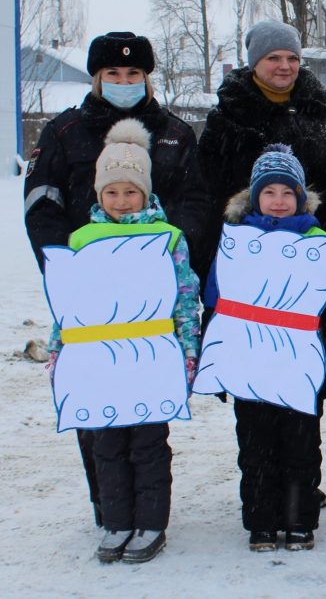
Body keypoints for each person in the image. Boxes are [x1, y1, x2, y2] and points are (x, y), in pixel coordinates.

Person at [24, 31, 208, 531]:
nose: (124, 82)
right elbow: (42, 203)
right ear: (97, 77)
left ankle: (147, 512)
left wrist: (168, 254)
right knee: (96, 404)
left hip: (154, 295)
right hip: (90, 291)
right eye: (113, 74)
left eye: (134, 74)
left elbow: (195, 202)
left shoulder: (175, 133)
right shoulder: (66, 131)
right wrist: (66, 266)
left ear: (147, 78)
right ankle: (110, 510)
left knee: (146, 410)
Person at [198, 20, 326, 508]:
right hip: (250, 275)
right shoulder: (228, 117)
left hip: (315, 266)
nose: (284, 66)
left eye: (292, 58)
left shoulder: (323, 108)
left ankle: (301, 487)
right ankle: (262, 488)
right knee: (255, 389)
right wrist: (210, 265)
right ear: (254, 62)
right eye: (274, 57)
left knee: (303, 383)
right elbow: (206, 194)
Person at [45, 120, 202, 564]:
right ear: (98, 194)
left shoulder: (166, 239)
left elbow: (185, 298)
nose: (120, 200)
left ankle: (151, 522)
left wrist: (188, 351)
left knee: (148, 445)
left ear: (146, 192)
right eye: (111, 192)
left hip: (151, 362)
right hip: (100, 369)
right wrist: (60, 353)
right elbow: (67, 306)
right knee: (108, 445)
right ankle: (116, 521)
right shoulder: (81, 240)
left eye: (130, 191)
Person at [206, 144, 326, 551]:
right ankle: (261, 520)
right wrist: (219, 359)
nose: (278, 201)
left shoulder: (318, 243)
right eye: (269, 192)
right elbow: (217, 301)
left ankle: (298, 519)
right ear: (254, 196)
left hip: (298, 366)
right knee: (255, 447)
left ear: (300, 197)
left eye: (287, 193)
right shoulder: (237, 241)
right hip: (249, 364)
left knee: (301, 447)